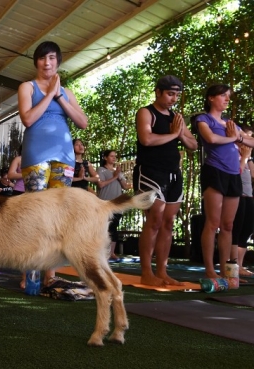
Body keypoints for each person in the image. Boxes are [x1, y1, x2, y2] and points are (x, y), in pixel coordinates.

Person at [18, 41, 88, 285]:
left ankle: (50, 274)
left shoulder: (67, 92)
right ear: (36, 62)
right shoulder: (27, 87)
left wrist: (61, 97)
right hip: (37, 154)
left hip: (64, 156)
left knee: (58, 216)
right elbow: (28, 119)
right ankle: (29, 273)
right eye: (42, 58)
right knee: (34, 214)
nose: (46, 63)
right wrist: (49, 95)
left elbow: (83, 122)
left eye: (51, 58)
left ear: (58, 62)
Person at [134, 75, 197, 287]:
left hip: (173, 174)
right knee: (154, 220)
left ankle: (162, 271)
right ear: (158, 92)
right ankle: (146, 272)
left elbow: (193, 144)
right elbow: (147, 139)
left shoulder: (175, 118)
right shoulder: (146, 112)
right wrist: (174, 135)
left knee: (168, 222)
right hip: (151, 172)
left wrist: (179, 133)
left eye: (177, 95)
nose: (173, 99)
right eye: (170, 94)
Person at [195, 84, 254, 279]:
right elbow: (210, 138)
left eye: (228, 96)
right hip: (214, 172)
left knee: (228, 225)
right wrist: (233, 138)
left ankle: (226, 269)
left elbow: (250, 142)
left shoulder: (232, 125)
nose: (227, 99)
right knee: (212, 223)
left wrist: (236, 136)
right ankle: (210, 269)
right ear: (211, 98)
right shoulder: (203, 119)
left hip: (233, 175)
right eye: (223, 95)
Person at [97, 150, 131, 260]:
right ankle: (101, 252)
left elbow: (125, 187)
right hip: (105, 203)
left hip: (117, 204)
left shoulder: (118, 172)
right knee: (104, 228)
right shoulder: (101, 170)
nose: (113, 158)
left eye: (115, 156)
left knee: (114, 228)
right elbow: (101, 184)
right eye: (111, 156)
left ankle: (111, 253)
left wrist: (119, 176)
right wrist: (114, 177)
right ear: (105, 157)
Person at [232, 128, 254, 277]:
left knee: (247, 229)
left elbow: (252, 175)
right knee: (236, 229)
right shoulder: (232, 153)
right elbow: (236, 172)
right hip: (237, 195)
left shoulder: (248, 157)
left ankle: (240, 265)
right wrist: (244, 158)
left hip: (248, 196)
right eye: (246, 137)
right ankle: (232, 266)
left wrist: (248, 158)